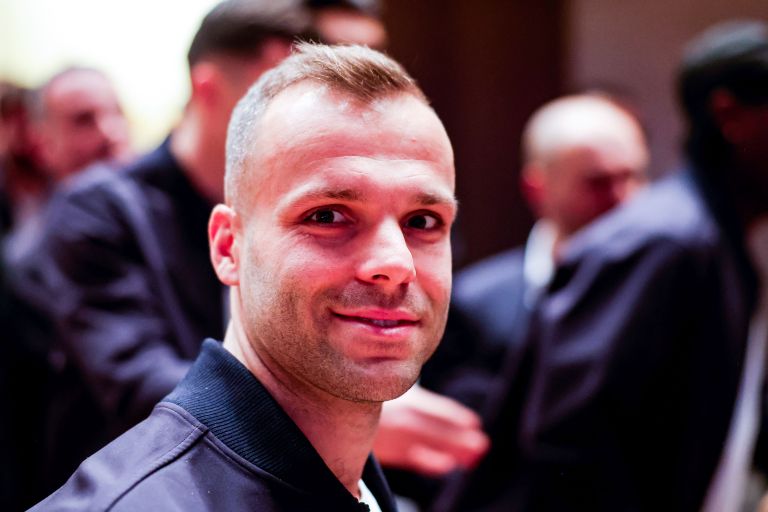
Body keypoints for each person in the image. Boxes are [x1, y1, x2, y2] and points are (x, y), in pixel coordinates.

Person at [32, 41, 457, 512]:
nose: (397, 263)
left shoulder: (363, 491)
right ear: (228, 247)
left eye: (423, 221)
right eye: (328, 216)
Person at [435, 19, 768, 512]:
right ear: (731, 116)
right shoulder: (665, 242)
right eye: (598, 181)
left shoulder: (711, 239)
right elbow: (566, 442)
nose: (621, 197)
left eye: (632, 174)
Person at [16, 0, 307, 494]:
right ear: (208, 88)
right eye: (273, 95)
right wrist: (311, 410)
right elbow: (137, 379)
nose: (299, 119)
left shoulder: (282, 212)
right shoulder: (98, 209)